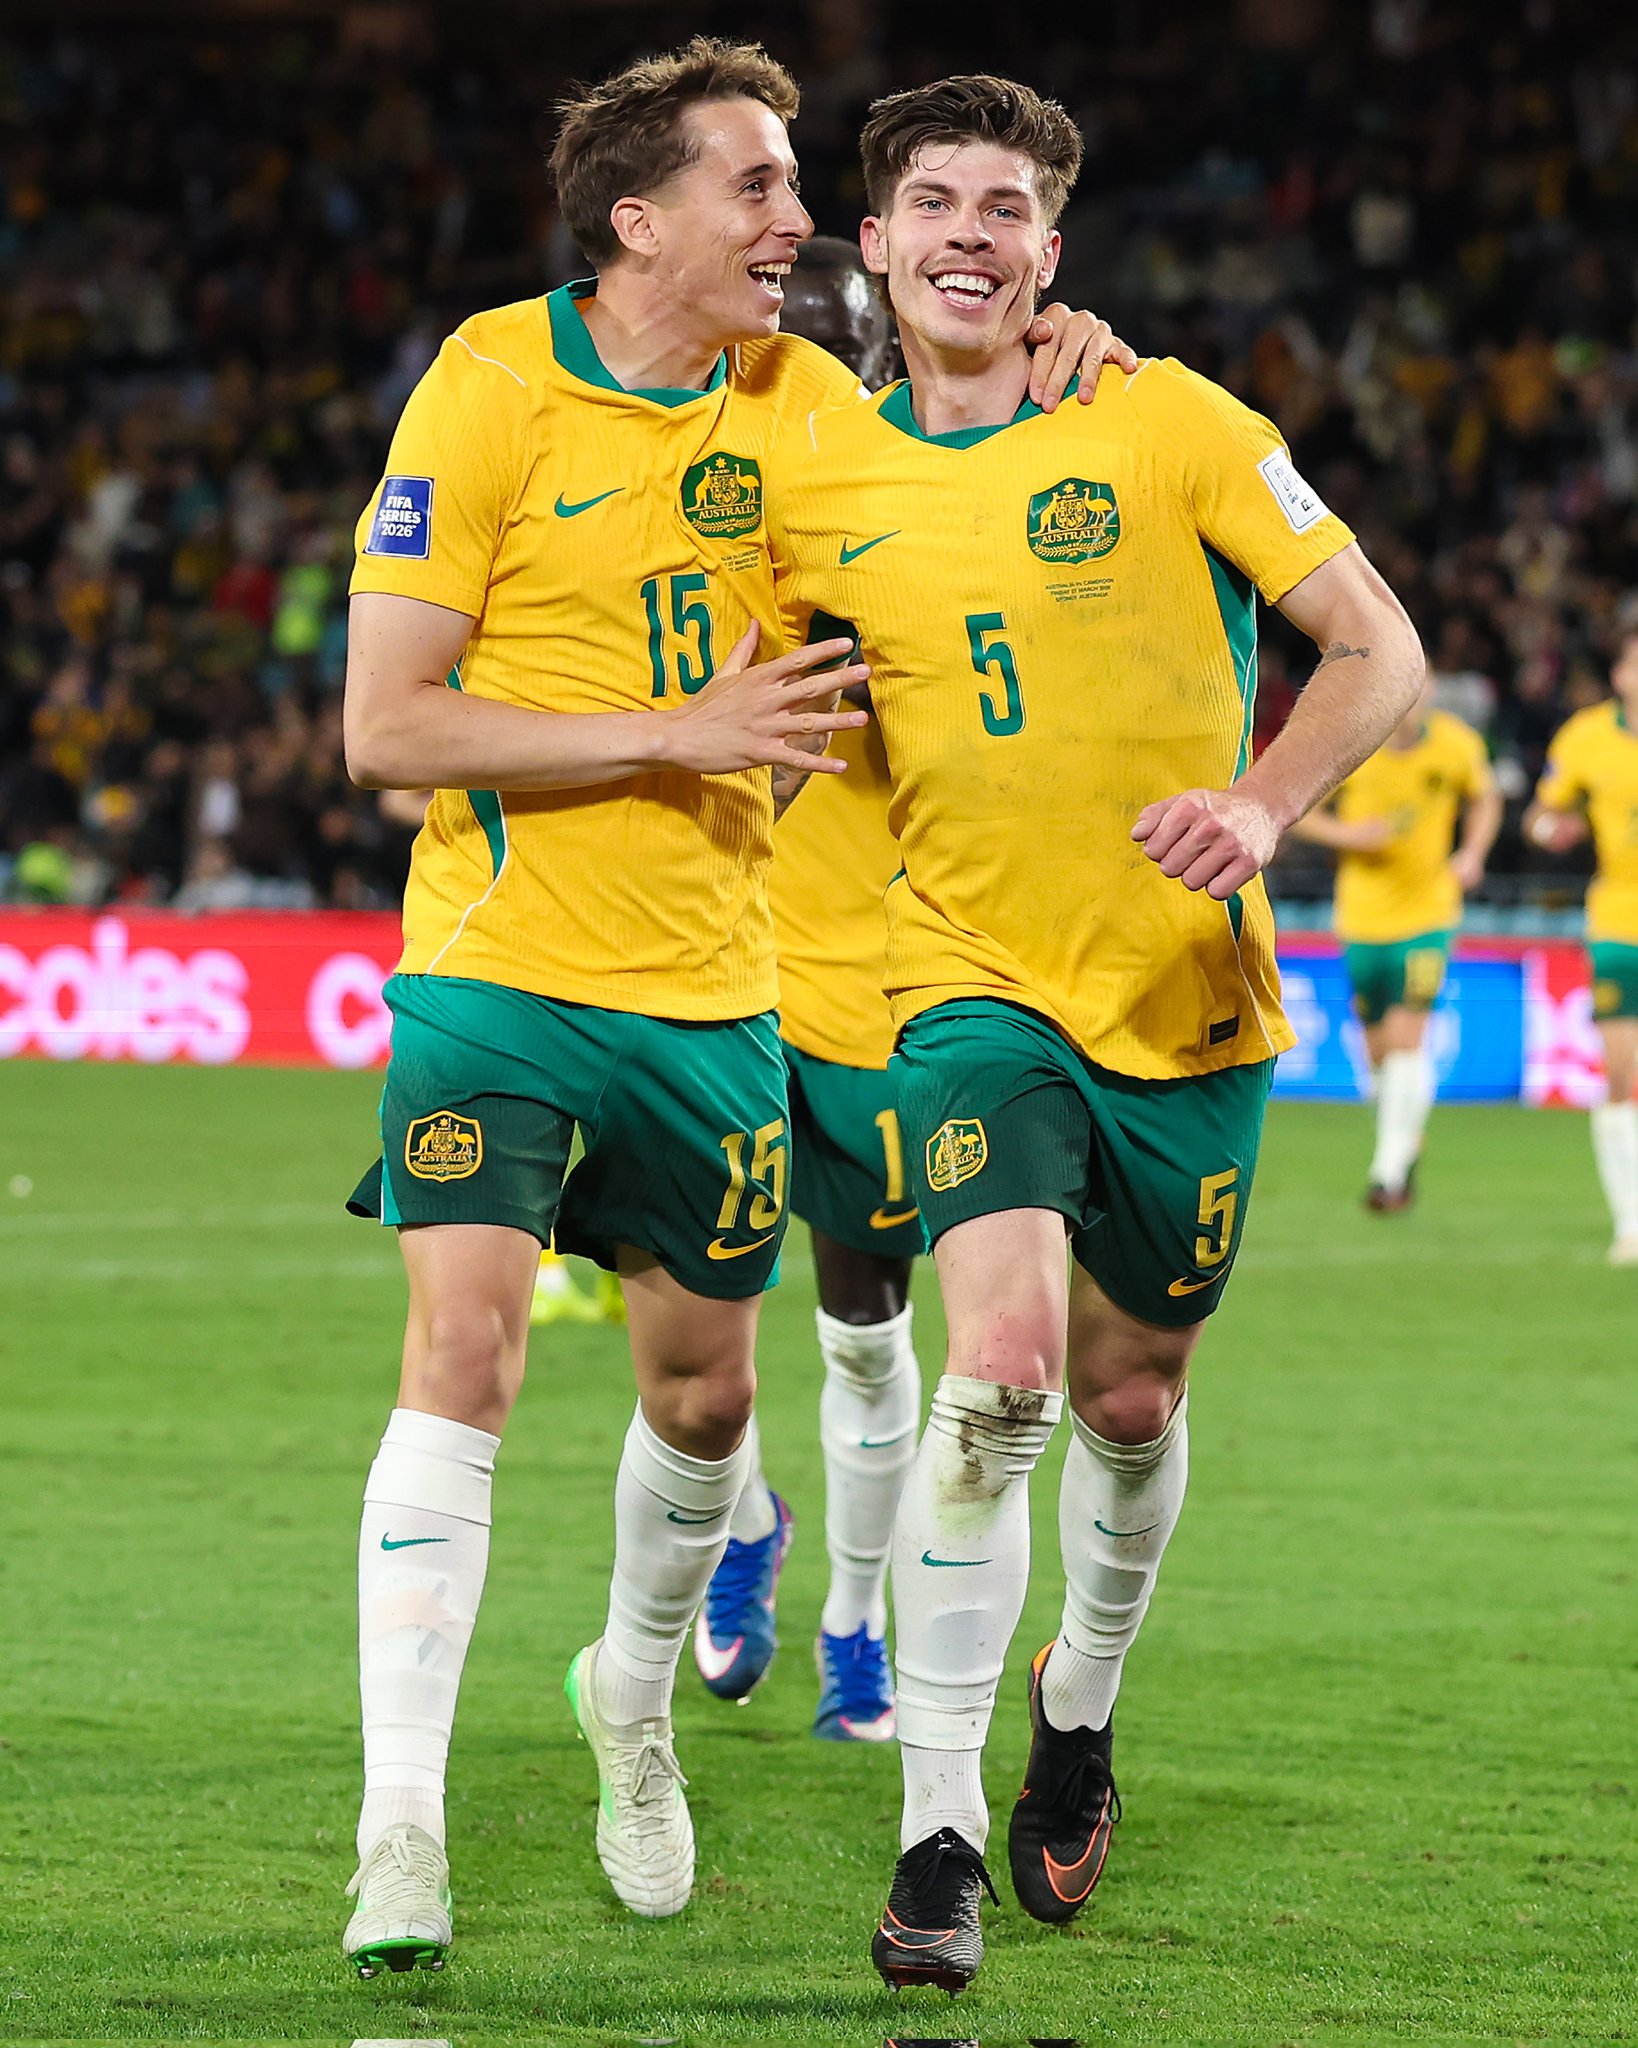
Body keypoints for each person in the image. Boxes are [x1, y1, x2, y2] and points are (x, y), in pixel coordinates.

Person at [337, 37, 1123, 1974]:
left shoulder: (804, 404)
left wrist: (1059, 359)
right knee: (466, 1355)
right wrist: (670, 730)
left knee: (704, 1401)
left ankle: (630, 1699)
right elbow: (387, 727)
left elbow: (963, 465)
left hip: (713, 995)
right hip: (495, 969)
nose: (798, 223)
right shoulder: (489, 384)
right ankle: (400, 1825)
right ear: (639, 216)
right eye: (758, 185)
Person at [768, 74, 1425, 1993]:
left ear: (1050, 252)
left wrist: (1265, 802)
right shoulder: (817, 478)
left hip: (1183, 994)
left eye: (1006, 209)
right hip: (963, 988)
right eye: (933, 204)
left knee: (1131, 1404)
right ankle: (935, 1831)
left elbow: (1374, 645)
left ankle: (1079, 1703)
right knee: (998, 1373)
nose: (968, 236)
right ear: (873, 243)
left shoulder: (1167, 419)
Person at [693, 239, 924, 1738]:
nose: (804, 369)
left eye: (839, 348)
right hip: (703, 965)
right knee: (683, 1305)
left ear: (884, 360)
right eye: (780, 345)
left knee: (862, 1326)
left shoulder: (918, 508)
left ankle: (854, 1622)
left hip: (865, 989)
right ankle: (744, 1526)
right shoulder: (692, 497)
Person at [1292, 674, 1500, 1209]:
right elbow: (1297, 809)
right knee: (1377, 1052)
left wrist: (1471, 854)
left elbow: (1485, 799)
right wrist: (1348, 835)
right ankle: (1404, 1145)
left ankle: (1386, 1170)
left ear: (1428, 692)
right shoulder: (1353, 742)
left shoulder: (1456, 745)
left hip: (1429, 915)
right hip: (1362, 919)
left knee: (1409, 1037)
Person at [1525, 628, 1638, 1262]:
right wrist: (1552, 830)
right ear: (1619, 674)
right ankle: (1631, 1222)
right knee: (1621, 1074)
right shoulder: (1585, 738)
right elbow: (1540, 816)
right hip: (1620, 921)